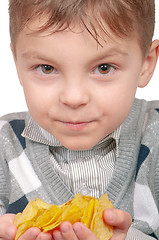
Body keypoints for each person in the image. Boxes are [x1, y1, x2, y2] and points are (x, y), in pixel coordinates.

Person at [0, 0, 159, 239]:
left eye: (104, 68)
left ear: (145, 65)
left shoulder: (154, 138)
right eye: (46, 68)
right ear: (17, 64)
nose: (73, 98)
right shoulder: (4, 146)